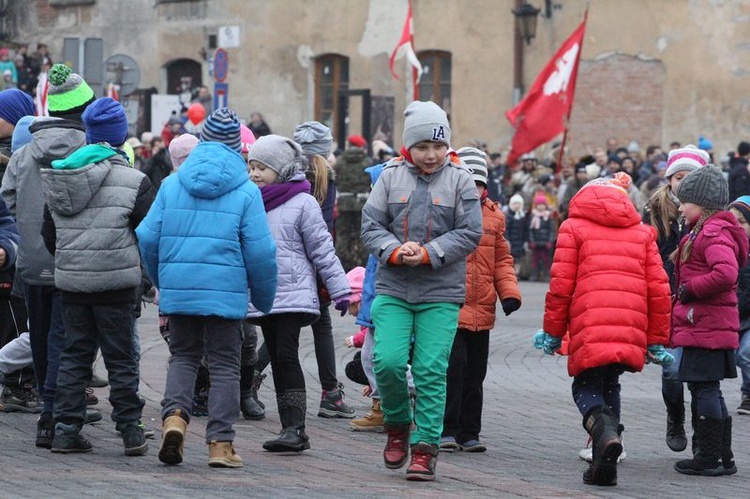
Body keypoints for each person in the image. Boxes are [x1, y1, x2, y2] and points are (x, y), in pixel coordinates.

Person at [137, 107, 277, 468]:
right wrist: (262, 298)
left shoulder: (172, 183)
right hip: (225, 294)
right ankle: (220, 443)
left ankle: (175, 419)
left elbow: (147, 236)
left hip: (180, 290)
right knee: (225, 365)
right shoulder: (246, 191)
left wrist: (162, 279)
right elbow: (261, 252)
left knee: (182, 356)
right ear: (238, 147)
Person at [360, 100, 483, 481]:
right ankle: (398, 425)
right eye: (422, 147)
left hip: (441, 293)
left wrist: (429, 253)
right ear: (407, 147)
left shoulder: (461, 179)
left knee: (431, 370)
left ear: (448, 145)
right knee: (389, 363)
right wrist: (396, 251)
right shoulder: (389, 176)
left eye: (438, 146)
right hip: (394, 287)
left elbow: (470, 232)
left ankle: (426, 447)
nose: (431, 155)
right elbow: (370, 226)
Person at [535, 172, 672, 486]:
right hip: (630, 326)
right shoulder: (642, 233)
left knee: (585, 387)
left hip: (590, 322)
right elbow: (660, 289)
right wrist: (655, 341)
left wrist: (553, 332)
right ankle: (605, 460)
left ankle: (603, 431)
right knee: (611, 383)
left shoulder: (573, 228)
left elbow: (560, 287)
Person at [40, 97, 154, 455]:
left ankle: (65, 429)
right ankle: (131, 430)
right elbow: (148, 233)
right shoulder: (135, 180)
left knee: (74, 356)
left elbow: (49, 234)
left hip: (73, 284)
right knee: (121, 358)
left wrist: (72, 260)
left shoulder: (61, 176)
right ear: (121, 137)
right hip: (117, 284)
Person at [246, 134, 350, 453]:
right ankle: (288, 427)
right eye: (251, 167)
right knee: (276, 357)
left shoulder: (302, 201)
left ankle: (296, 428)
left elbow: (322, 249)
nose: (254, 174)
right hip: (263, 294)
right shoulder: (251, 200)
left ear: (281, 168)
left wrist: (340, 288)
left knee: (287, 354)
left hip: (293, 293)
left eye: (262, 168)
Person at [440, 147, 521, 453]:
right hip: (452, 304)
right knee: (453, 368)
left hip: (483, 306)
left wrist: (509, 293)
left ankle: (469, 432)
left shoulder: (494, 217)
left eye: (478, 184)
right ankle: (446, 428)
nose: (473, 189)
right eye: (467, 182)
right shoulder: (445, 211)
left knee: (476, 373)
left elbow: (502, 260)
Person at [671, 165, 747, 476]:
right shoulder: (705, 230)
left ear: (702, 203)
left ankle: (709, 458)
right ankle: (720, 456)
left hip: (708, 325)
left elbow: (726, 273)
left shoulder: (713, 232)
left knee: (704, 389)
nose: (681, 206)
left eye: (686, 201)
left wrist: (689, 290)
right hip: (706, 325)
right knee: (706, 389)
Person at [642, 144, 708, 454]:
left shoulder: (709, 213)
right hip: (665, 296)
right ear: (669, 179)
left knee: (696, 373)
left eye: (689, 176)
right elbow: (645, 252)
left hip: (697, 301)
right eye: (678, 176)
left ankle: (701, 434)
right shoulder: (655, 209)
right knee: (670, 370)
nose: (682, 182)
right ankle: (675, 419)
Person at [728, 196, 750, 416]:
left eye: (742, 222)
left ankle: (748, 394)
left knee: (746, 352)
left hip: (747, 313)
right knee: (737, 355)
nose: (737, 227)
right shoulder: (726, 247)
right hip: (732, 312)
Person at [527, 194, 554, 281]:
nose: (541, 207)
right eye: (539, 205)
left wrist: (550, 241)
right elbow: (530, 230)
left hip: (545, 242)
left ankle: (546, 275)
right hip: (536, 242)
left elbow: (551, 230)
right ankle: (534, 274)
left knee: (546, 260)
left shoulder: (548, 216)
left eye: (542, 205)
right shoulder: (533, 216)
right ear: (536, 205)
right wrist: (531, 241)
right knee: (535, 260)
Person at [504, 194, 528, 279]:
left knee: (519, 259)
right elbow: (506, 229)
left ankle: (517, 273)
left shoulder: (523, 217)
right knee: (511, 258)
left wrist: (526, 241)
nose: (517, 206)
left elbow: (525, 230)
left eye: (519, 204)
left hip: (520, 241)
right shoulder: (508, 217)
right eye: (515, 204)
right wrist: (507, 239)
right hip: (511, 241)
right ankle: (511, 273)